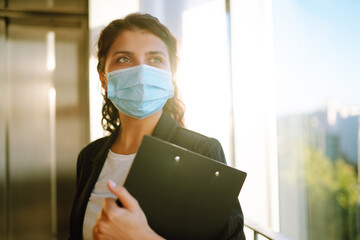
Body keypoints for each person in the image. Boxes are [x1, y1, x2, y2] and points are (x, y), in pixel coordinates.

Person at [69, 13, 246, 240]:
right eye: (124, 59)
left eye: (155, 59)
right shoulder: (89, 157)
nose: (141, 72)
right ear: (104, 79)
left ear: (170, 77)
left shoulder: (201, 151)